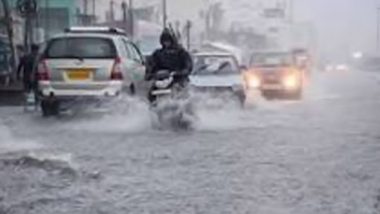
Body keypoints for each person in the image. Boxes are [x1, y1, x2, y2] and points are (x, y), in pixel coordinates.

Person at [146, 29, 193, 102]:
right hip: (162, 79)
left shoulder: (181, 53)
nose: (166, 43)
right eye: (164, 41)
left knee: (182, 91)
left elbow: (188, 66)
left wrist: (180, 73)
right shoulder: (158, 54)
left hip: (178, 78)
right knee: (151, 92)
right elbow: (151, 65)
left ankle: (184, 107)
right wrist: (150, 74)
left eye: (168, 41)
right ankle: (152, 107)